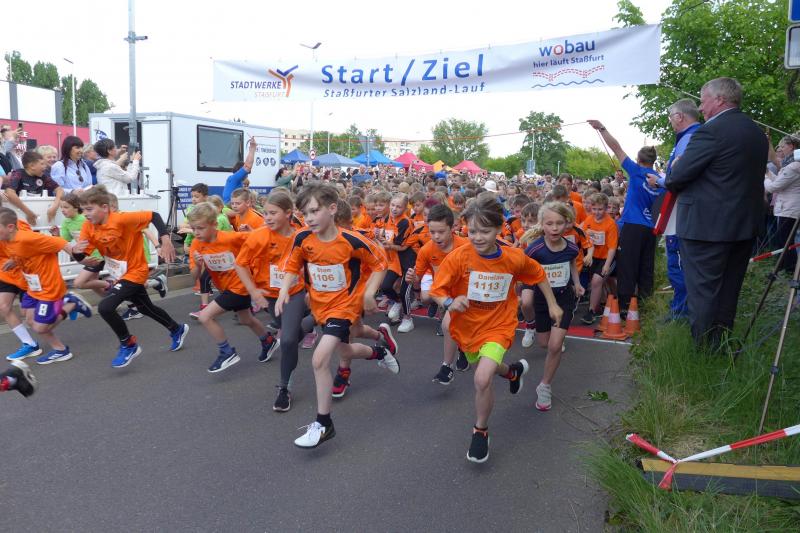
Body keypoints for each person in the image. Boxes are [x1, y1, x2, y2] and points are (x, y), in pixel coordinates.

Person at [429, 193, 562, 463]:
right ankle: (512, 372)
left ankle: (480, 430)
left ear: (499, 229)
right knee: (486, 369)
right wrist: (449, 302)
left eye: (485, 231)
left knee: (481, 378)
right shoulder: (458, 257)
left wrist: (552, 304)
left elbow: (538, 274)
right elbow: (437, 290)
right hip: (467, 328)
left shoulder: (513, 258)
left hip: (499, 326)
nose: (478, 237)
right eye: (472, 231)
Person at [276, 182, 399, 449]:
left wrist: (369, 293)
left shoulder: (351, 240)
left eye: (314, 211)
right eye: (305, 213)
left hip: (344, 306)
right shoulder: (302, 238)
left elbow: (380, 262)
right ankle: (379, 352)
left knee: (319, 359)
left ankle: (324, 423)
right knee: (346, 350)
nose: (309, 218)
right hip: (320, 306)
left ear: (332, 209)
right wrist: (284, 289)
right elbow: (292, 265)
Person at [665, 77, 769, 348]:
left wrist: (676, 164)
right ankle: (721, 344)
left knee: (703, 292)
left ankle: (703, 351)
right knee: (728, 291)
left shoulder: (710, 131)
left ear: (720, 99)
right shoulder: (756, 133)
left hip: (706, 228)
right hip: (743, 226)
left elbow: (677, 178)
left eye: (703, 100)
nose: (700, 107)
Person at [73, 187, 189, 368]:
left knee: (105, 307)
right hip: (119, 272)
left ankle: (129, 344)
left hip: (135, 271)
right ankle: (177, 329)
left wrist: (165, 240)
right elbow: (82, 256)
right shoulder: (88, 227)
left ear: (104, 207)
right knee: (145, 308)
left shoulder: (121, 219)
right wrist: (77, 253)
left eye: (89, 209)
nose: (85, 214)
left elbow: (154, 215)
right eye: (83, 210)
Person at [235, 190, 307, 411]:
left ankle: (284, 388)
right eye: (265, 213)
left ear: (288, 213)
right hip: (268, 295)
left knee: (287, 340)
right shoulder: (258, 236)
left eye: (273, 213)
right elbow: (240, 264)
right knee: (292, 332)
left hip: (294, 292)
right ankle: (309, 324)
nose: (267, 217)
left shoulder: (301, 236)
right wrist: (254, 291)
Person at [187, 203, 279, 373]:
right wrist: (199, 265)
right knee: (246, 319)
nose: (196, 232)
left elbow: (257, 238)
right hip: (226, 287)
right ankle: (268, 341)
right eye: (193, 228)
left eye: (200, 228)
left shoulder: (230, 238)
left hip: (240, 286)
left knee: (205, 316)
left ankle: (226, 352)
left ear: (214, 224)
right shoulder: (196, 245)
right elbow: (194, 276)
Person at [0, 208, 92, 364]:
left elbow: (59, 243)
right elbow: (24, 253)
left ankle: (71, 304)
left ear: (9, 227)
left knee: (40, 327)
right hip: (33, 286)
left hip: (48, 287)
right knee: (30, 319)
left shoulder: (27, 238)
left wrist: (80, 258)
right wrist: (14, 261)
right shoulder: (6, 240)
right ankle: (60, 349)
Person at [588, 120, 663, 312]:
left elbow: (616, 147)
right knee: (646, 266)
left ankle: (624, 307)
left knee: (627, 266)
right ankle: (645, 306)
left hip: (632, 225)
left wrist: (602, 128)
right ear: (653, 161)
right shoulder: (661, 180)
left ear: (638, 159)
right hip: (651, 229)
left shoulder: (636, 171)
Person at [521, 202, 583, 411]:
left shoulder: (572, 247)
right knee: (544, 343)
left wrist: (577, 283)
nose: (555, 228)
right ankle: (531, 324)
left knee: (555, 346)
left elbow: (572, 263)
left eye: (559, 223)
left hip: (564, 298)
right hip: (541, 299)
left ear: (567, 223)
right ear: (542, 224)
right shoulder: (534, 249)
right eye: (549, 224)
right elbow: (523, 268)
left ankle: (545, 386)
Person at [405, 204, 470, 383]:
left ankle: (461, 352)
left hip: (468, 295)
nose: (436, 236)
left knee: (457, 328)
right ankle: (447, 367)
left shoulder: (466, 246)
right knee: (448, 325)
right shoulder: (426, 250)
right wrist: (412, 278)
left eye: (441, 232)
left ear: (452, 228)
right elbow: (417, 279)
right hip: (446, 296)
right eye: (432, 232)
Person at [650, 98, 701, 320]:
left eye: (671, 118)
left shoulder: (690, 139)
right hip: (681, 210)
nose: (670, 122)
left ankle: (681, 313)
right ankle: (681, 308)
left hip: (681, 212)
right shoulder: (692, 137)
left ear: (679, 117)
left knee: (678, 264)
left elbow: (679, 176)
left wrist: (660, 181)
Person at [579, 193, 618, 324]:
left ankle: (591, 311)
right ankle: (603, 304)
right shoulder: (589, 220)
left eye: (600, 209)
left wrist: (607, 264)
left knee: (597, 281)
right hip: (593, 257)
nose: (596, 212)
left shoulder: (611, 224)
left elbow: (612, 247)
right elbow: (581, 234)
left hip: (606, 258)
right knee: (598, 283)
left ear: (606, 208)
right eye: (594, 209)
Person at [764, 134, 800, 274]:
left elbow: (774, 187)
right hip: (787, 208)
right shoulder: (789, 165)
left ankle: (791, 270)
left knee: (786, 241)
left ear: (791, 146)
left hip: (790, 209)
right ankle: (787, 267)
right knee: (784, 240)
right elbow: (779, 181)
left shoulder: (793, 167)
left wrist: (765, 179)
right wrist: (767, 172)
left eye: (783, 146)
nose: (781, 149)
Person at [2, 151, 64, 226]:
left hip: (39, 216)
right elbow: (9, 193)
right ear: (32, 166)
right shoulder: (18, 174)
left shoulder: (43, 177)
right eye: (42, 164)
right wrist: (28, 212)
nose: (45, 166)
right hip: (20, 217)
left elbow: (60, 190)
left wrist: (55, 206)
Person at [222, 139, 257, 204]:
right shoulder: (235, 178)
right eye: (246, 174)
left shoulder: (233, 179)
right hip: (230, 208)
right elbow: (248, 166)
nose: (247, 176)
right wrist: (252, 148)